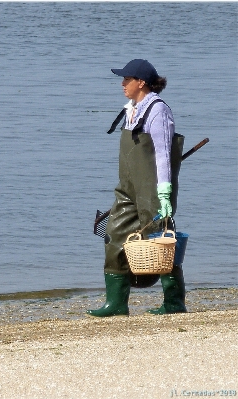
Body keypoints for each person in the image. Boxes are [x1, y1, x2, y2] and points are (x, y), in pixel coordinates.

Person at [86, 59, 186, 317]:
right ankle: (116, 304)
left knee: (160, 242)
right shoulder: (132, 108)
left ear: (141, 82)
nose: (122, 84)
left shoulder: (158, 111)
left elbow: (163, 153)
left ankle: (174, 302)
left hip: (153, 189)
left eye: (126, 79)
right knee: (113, 235)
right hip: (127, 188)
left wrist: (164, 192)